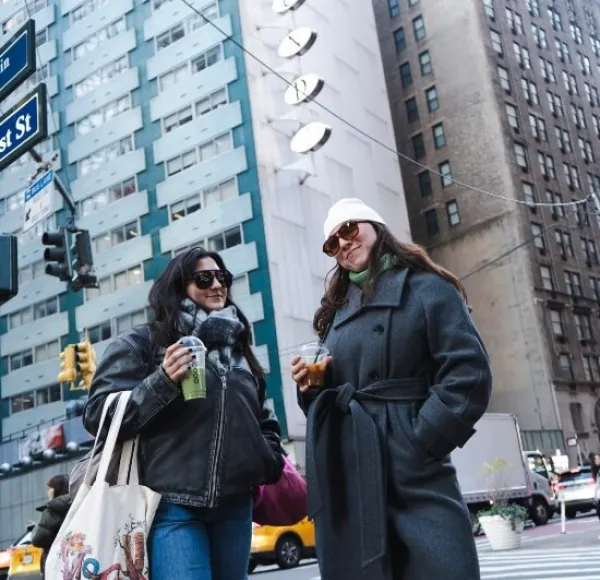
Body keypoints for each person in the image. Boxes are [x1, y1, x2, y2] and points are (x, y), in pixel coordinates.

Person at [291, 198, 493, 580]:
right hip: (352, 464)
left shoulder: (428, 288)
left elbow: (469, 371)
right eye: (332, 243)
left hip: (412, 464)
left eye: (349, 229)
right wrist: (311, 389)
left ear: (375, 225)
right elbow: (335, 398)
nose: (344, 243)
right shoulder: (335, 314)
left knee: (443, 565)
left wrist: (423, 439)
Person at [83, 247, 285, 580]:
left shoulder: (236, 349)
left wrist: (266, 458)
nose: (217, 285)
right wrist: (161, 381)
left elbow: (263, 417)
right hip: (171, 506)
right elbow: (98, 415)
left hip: (234, 505)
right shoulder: (143, 343)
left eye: (223, 277)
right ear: (178, 286)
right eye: (204, 278)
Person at [31, 474, 72, 571]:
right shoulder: (78, 503)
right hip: (73, 559)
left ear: (57, 489)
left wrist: (37, 527)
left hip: (54, 561)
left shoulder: (52, 509)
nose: (47, 492)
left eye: (50, 488)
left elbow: (38, 540)